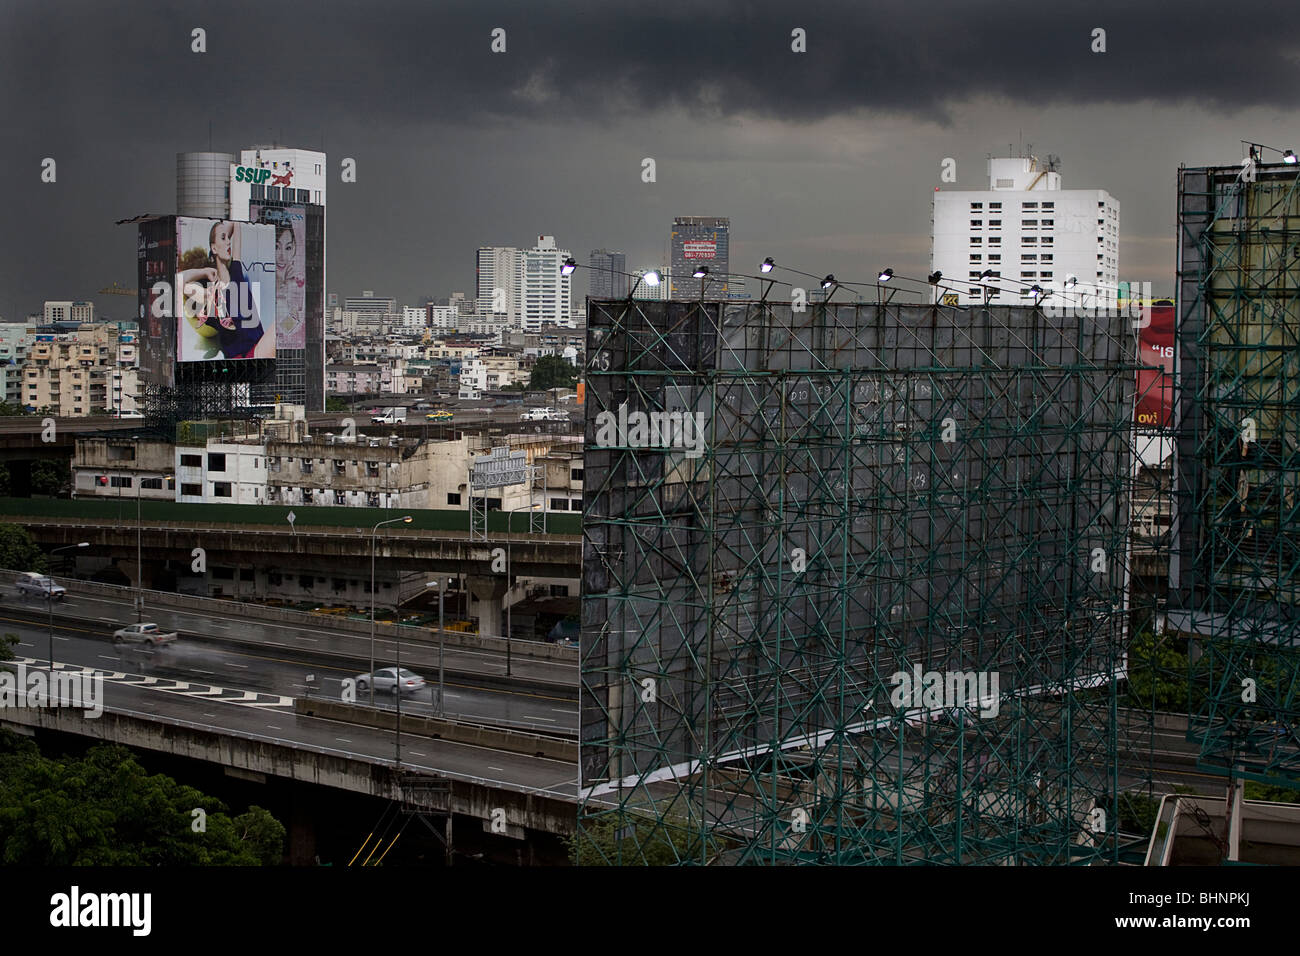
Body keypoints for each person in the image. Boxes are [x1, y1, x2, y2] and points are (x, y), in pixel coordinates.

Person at [178, 221, 271, 359]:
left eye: (228, 238)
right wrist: (204, 271)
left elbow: (236, 225)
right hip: (243, 357)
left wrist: (220, 236)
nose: (228, 242)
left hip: (259, 350)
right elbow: (179, 280)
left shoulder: (236, 271)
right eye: (223, 238)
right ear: (214, 249)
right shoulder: (210, 295)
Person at [275, 224, 305, 341]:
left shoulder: (293, 286)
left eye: (288, 248)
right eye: (276, 247)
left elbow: (287, 327)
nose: (282, 256)